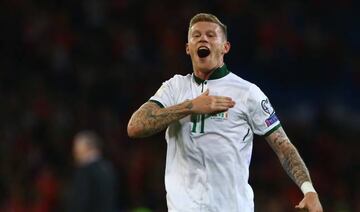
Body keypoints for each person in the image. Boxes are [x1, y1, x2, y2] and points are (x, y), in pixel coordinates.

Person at [127, 13, 323, 212]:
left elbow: (283, 146)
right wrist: (190, 106)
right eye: (196, 35)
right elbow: (135, 126)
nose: (203, 38)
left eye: (211, 35)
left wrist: (309, 190)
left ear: (225, 47)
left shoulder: (247, 93)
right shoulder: (174, 88)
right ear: (188, 48)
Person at [69, 130, 117, 212]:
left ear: (86, 148)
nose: (74, 151)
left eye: (76, 147)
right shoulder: (109, 168)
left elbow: (81, 202)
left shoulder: (85, 171)